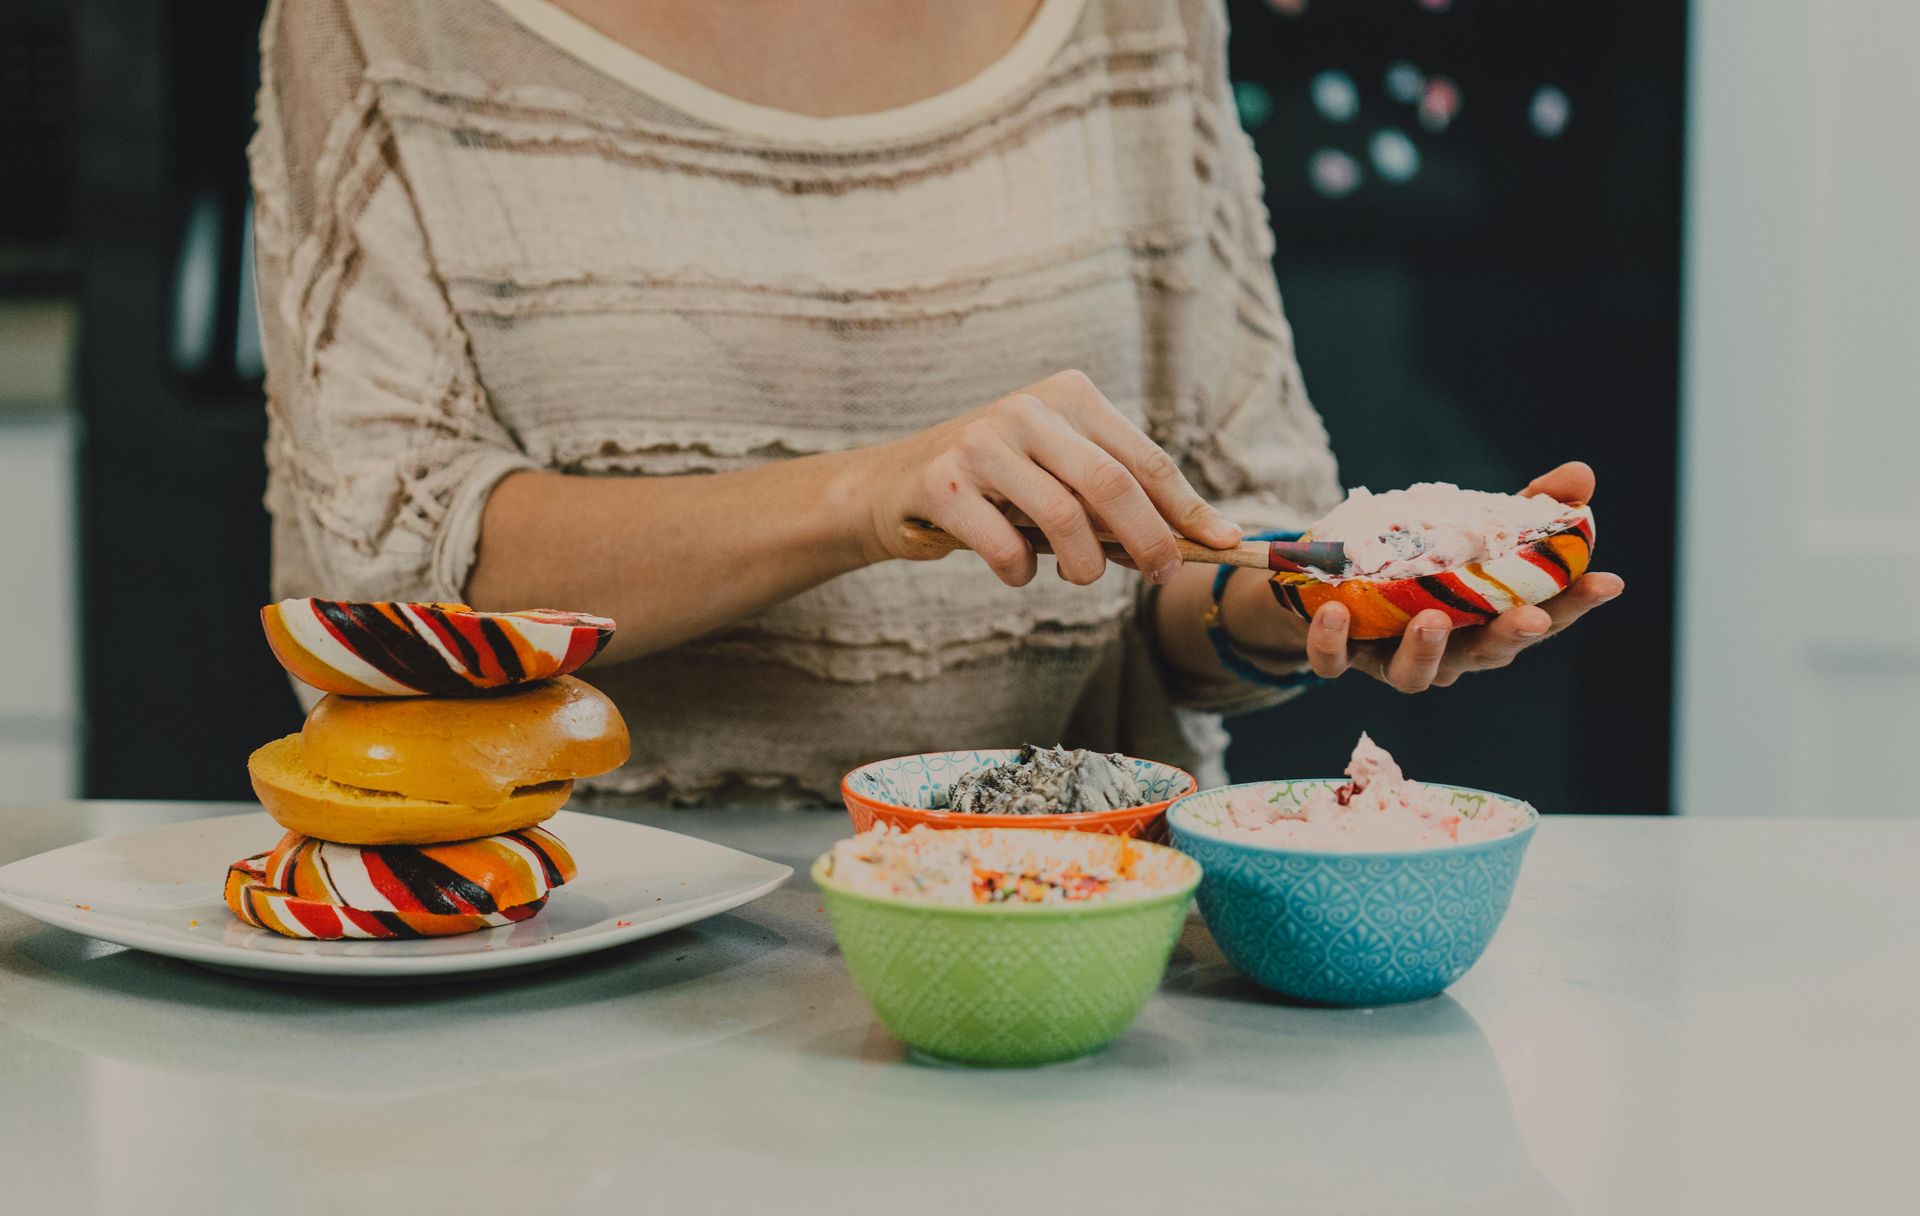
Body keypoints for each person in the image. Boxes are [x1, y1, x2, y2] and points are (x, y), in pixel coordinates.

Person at [249, 0, 1622, 804]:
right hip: (547, 969)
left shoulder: (1133, 22)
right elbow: (381, 578)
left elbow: (1205, 565)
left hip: (1059, 956)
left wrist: (1312, 609)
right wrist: (861, 497)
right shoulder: (381, 29)